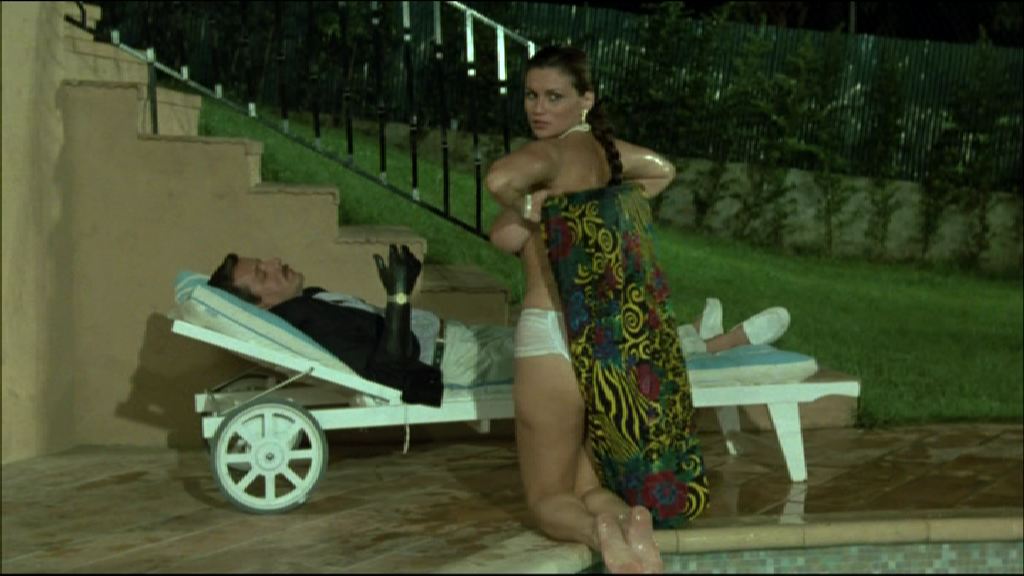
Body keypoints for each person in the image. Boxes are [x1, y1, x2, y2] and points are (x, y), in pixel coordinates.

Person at [485, 46, 792, 573]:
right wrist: (590, 212)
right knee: (587, 485)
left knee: (547, 496)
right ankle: (631, 524)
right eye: (531, 96)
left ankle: (599, 532)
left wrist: (531, 204)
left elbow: (498, 181)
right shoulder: (606, 157)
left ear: (585, 99)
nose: (538, 108)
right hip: (607, 343)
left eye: (554, 97)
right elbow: (662, 172)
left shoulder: (548, 156)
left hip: (551, 336)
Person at [206, 246, 516, 407]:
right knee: (545, 359)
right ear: (260, 306)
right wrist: (399, 294)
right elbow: (388, 371)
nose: (274, 262)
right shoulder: (307, 322)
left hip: (461, 338)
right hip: (457, 363)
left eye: (263, 262)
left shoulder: (309, 301)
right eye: (262, 274)